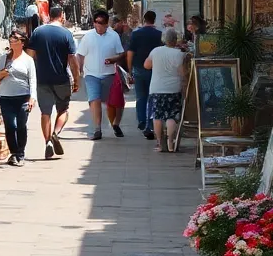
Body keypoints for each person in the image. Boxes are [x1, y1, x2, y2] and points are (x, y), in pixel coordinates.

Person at [25, 5, 80, 160]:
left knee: (45, 113)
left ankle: (47, 142)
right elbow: (72, 59)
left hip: (42, 79)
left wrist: (29, 78)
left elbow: (29, 56)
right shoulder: (66, 34)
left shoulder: (38, 32)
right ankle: (55, 133)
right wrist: (77, 79)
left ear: (49, 15)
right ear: (62, 16)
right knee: (63, 110)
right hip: (61, 79)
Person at [76, 8, 125, 140]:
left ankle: (115, 124)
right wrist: (79, 71)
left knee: (111, 101)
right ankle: (97, 129)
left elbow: (121, 53)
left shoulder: (113, 36)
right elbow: (80, 54)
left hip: (109, 74)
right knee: (95, 99)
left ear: (107, 24)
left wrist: (113, 60)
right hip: (91, 74)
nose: (98, 25)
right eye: (96, 22)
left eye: (101, 22)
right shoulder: (88, 37)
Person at [0, 27, 36, 166]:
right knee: (10, 126)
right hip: (6, 97)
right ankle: (14, 153)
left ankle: (20, 154)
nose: (12, 40)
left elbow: (32, 79)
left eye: (15, 38)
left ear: (22, 42)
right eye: (11, 38)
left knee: (21, 126)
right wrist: (3, 73)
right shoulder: (4, 58)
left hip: (23, 97)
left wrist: (32, 97)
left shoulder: (28, 60)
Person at [144, 27, 189, 152]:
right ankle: (170, 143)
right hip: (173, 89)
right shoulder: (179, 54)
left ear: (164, 39)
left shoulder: (155, 51)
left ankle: (160, 143)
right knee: (172, 116)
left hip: (157, 88)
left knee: (157, 116)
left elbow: (147, 65)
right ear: (175, 40)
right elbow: (183, 73)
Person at [126, 10, 164, 140]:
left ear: (144, 19)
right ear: (154, 20)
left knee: (141, 97)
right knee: (153, 97)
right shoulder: (159, 34)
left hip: (139, 68)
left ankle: (142, 121)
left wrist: (129, 70)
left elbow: (130, 53)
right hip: (155, 69)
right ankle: (151, 123)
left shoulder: (136, 34)